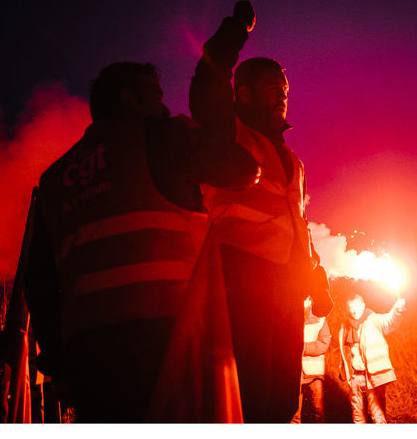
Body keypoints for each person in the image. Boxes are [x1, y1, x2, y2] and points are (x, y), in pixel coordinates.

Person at [24, 61, 260, 422]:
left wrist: (59, 363)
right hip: (168, 336)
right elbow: (243, 169)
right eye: (155, 97)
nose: (163, 107)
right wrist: (190, 130)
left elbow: (39, 282)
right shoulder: (160, 136)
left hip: (87, 352)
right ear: (128, 99)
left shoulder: (54, 179)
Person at [189, 0, 332, 422]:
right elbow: (208, 83)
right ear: (245, 94)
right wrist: (236, 31)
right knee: (244, 396)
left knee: (281, 401)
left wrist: (316, 280)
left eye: (285, 91)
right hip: (240, 283)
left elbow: (298, 226)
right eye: (273, 88)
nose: (283, 97)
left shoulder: (293, 161)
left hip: (285, 292)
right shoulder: (228, 134)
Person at [339, 293, 405, 424]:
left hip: (372, 376)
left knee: (377, 415)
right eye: (351, 307)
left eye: (357, 306)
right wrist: (346, 372)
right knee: (358, 416)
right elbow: (345, 352)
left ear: (363, 305)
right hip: (355, 377)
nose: (354, 310)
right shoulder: (345, 326)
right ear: (347, 309)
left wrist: (397, 310)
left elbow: (389, 321)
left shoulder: (373, 319)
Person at [291, 296, 331, 423]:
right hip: (295, 372)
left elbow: (324, 343)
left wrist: (303, 347)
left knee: (318, 410)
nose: (303, 303)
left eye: (306, 300)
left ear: (310, 302)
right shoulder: (291, 319)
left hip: (314, 372)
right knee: (293, 412)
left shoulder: (320, 320)